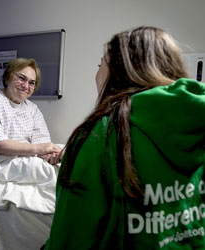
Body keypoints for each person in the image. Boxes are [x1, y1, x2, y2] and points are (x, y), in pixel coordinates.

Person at [45, 26, 205, 249]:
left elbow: (71, 239)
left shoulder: (100, 134)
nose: (98, 73)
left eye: (101, 64)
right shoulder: (197, 123)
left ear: (119, 73)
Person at [0, 58, 62, 213]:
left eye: (32, 82)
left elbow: (42, 144)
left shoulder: (32, 109)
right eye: (21, 78)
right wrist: (40, 149)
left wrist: (51, 155)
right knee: (44, 170)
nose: (26, 86)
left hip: (22, 157)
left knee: (63, 149)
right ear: (8, 77)